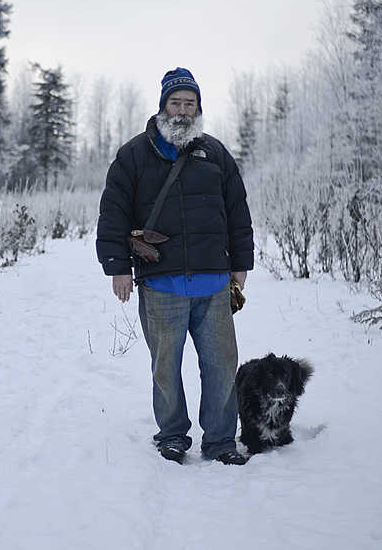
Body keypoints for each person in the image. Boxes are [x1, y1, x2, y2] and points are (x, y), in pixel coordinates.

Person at [96, 67, 254, 466]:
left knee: (221, 365)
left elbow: (237, 212)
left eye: (190, 104)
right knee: (165, 366)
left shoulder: (215, 153)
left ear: (199, 108)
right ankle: (172, 435)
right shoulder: (133, 155)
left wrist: (241, 263)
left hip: (213, 282)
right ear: (162, 106)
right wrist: (118, 266)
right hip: (161, 281)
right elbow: (113, 212)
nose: (182, 111)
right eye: (175, 103)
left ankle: (219, 440)